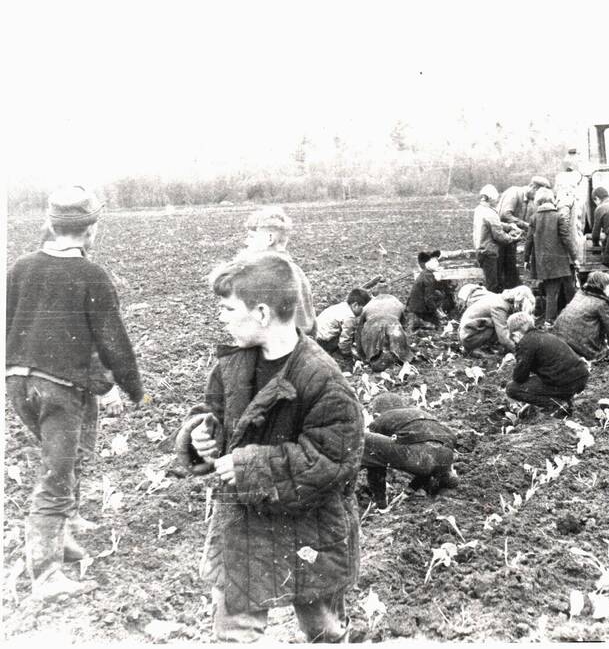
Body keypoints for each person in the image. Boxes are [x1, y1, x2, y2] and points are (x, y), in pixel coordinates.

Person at [173, 252, 363, 642]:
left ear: (261, 313)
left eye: (227, 308)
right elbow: (214, 412)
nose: (221, 317)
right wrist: (201, 436)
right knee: (233, 634)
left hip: (308, 530)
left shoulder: (323, 379)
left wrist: (248, 467)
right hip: (243, 528)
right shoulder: (234, 364)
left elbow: (331, 459)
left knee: (323, 630)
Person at [8, 186, 145, 600]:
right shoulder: (91, 275)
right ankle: (46, 573)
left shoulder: (21, 267)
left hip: (18, 382)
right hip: (59, 387)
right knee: (56, 471)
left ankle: (66, 530)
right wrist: (133, 388)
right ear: (91, 231)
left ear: (51, 225)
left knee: (74, 449)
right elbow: (113, 340)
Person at [362, 394, 459, 509]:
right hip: (445, 458)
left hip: (419, 457)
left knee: (365, 441)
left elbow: (375, 461)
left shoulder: (382, 418)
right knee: (427, 453)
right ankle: (446, 477)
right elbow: (429, 450)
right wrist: (410, 490)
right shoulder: (421, 414)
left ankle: (344, 487)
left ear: (376, 415)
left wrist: (380, 501)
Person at [243, 206, 316, 335]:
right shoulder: (296, 271)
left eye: (251, 237)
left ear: (269, 238)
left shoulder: (271, 275)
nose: (246, 242)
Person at [505, 312, 589, 416]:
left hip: (566, 384)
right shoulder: (544, 335)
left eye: (514, 340)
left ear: (515, 334)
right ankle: (564, 399)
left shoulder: (526, 342)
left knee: (512, 388)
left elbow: (519, 377)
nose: (515, 343)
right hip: (580, 378)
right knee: (539, 379)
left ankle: (557, 404)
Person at [524, 187, 577, 324]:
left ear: (539, 201)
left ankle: (549, 321)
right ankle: (574, 316)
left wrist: (526, 259)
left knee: (551, 293)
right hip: (561, 262)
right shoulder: (559, 216)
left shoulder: (534, 218)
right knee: (569, 289)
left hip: (544, 263)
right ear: (551, 200)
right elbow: (566, 239)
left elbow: (529, 240)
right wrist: (574, 257)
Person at [553, 271, 609, 360]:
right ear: (604, 287)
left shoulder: (579, 294)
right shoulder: (600, 303)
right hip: (583, 348)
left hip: (560, 342)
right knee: (606, 352)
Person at [498, 176, 550, 289]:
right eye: (537, 194)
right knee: (501, 272)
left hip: (509, 240)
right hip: (498, 239)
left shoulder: (529, 201)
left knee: (511, 270)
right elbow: (504, 215)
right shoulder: (514, 193)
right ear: (533, 187)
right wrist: (526, 226)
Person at [456, 284, 536, 356]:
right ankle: (475, 348)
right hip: (469, 336)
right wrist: (521, 352)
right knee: (501, 327)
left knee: (502, 326)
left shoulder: (502, 300)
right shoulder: (500, 306)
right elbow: (503, 336)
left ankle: (485, 346)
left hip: (473, 330)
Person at [472, 184, 520, 293]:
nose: (497, 201)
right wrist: (513, 238)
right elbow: (499, 235)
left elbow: (494, 224)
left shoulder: (479, 209)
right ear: (491, 198)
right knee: (493, 285)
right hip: (490, 252)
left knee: (491, 281)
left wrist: (508, 226)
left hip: (480, 249)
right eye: (495, 199)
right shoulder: (490, 213)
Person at [354, 293, 414, 371]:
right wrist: (406, 347)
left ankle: (373, 359)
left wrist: (362, 355)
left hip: (372, 327)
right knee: (398, 349)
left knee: (372, 351)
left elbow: (359, 331)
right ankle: (396, 358)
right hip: (393, 325)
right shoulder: (397, 303)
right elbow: (405, 326)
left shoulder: (369, 305)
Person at [315, 287, 372, 357]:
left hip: (316, 334)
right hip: (323, 342)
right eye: (363, 309)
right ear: (355, 305)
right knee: (350, 335)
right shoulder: (350, 317)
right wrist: (347, 354)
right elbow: (345, 340)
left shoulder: (342, 306)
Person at [406, 250, 445, 330]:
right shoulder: (428, 277)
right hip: (419, 310)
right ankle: (420, 321)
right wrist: (436, 312)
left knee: (438, 294)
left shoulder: (425, 273)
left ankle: (421, 320)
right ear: (428, 264)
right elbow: (428, 298)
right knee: (439, 326)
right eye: (434, 261)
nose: (437, 263)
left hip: (415, 307)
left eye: (437, 261)